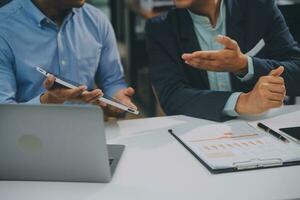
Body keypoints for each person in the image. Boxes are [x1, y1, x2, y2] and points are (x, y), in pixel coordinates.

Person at [146, 0, 300, 122]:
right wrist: (243, 101)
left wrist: (244, 65)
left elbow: (297, 69)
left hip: (264, 125)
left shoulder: (259, 7)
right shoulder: (161, 28)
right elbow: (172, 96)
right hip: (201, 131)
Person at [0, 0, 137, 115]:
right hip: (28, 139)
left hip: (87, 133)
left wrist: (118, 100)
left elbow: (112, 82)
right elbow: (4, 115)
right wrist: (47, 101)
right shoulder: (4, 28)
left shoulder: (96, 20)